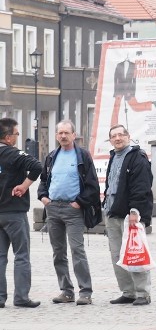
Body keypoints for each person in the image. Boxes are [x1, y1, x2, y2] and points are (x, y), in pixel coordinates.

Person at [37, 120, 101, 305]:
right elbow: (43, 180)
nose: (63, 136)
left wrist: (79, 203)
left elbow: (92, 185)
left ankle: (85, 292)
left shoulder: (82, 156)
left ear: (74, 135)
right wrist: (43, 197)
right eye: (60, 133)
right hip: (53, 209)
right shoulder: (51, 156)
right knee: (58, 252)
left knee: (77, 250)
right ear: (56, 136)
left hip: (73, 210)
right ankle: (66, 291)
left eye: (67, 133)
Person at [102, 124, 154, 306]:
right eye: (113, 136)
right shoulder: (113, 157)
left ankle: (142, 293)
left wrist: (135, 211)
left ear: (128, 136)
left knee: (134, 253)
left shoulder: (137, 158)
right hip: (112, 212)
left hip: (129, 214)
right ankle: (128, 291)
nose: (117, 139)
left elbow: (141, 187)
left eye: (120, 135)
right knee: (117, 255)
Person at [0, 118, 43, 308]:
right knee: (21, 255)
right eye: (17, 134)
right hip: (14, 212)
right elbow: (36, 166)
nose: (18, 137)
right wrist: (25, 186)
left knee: (0, 257)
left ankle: (0, 298)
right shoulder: (13, 153)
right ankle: (21, 297)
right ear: (8, 137)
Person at [111, 52, 156, 127]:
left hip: (129, 90)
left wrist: (132, 93)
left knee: (135, 107)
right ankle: (113, 126)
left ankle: (151, 104)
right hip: (119, 89)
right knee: (116, 107)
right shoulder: (119, 65)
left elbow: (134, 81)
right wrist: (115, 92)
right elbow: (115, 79)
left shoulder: (133, 65)